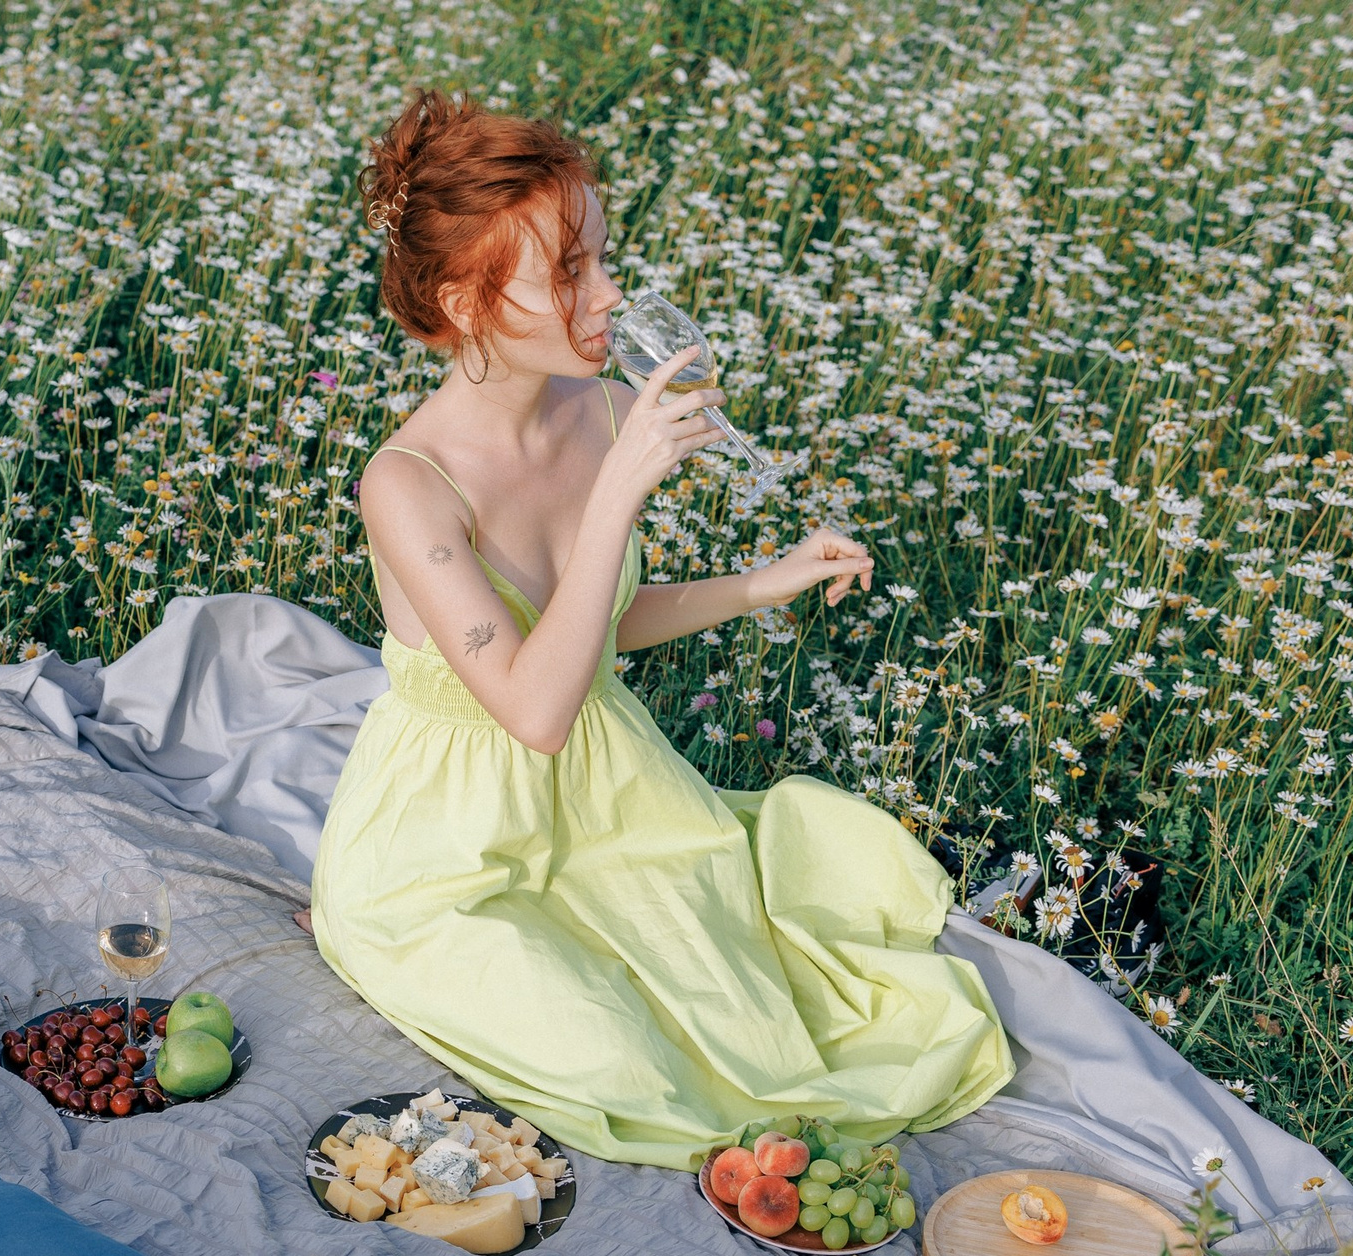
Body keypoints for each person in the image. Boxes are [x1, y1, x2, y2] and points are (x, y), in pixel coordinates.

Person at [310, 90, 1014, 1171]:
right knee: (619, 1053)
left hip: (607, 790)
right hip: (449, 848)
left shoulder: (591, 409)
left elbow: (585, 633)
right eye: (571, 273)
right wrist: (617, 498)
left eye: (603, 258)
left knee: (747, 997)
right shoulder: (408, 485)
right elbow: (535, 709)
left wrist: (752, 585)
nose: (612, 293)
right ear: (464, 301)